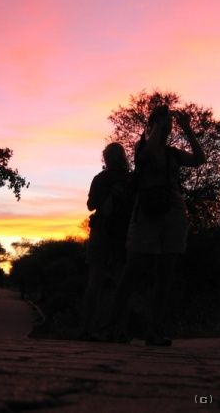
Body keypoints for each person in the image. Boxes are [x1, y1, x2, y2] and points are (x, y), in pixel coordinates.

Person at [105, 105, 206, 346]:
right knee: (133, 270)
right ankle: (114, 327)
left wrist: (188, 129)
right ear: (152, 125)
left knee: (165, 273)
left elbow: (199, 159)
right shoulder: (143, 148)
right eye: (162, 122)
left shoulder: (173, 153)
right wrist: (157, 126)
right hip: (147, 213)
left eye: (168, 123)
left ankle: (155, 330)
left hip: (174, 213)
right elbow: (148, 154)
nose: (167, 126)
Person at [79, 142, 132, 340]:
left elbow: (91, 205)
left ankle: (88, 329)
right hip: (121, 234)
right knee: (121, 283)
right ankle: (118, 331)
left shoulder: (101, 178)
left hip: (103, 232)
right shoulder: (129, 179)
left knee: (96, 281)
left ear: (106, 158)